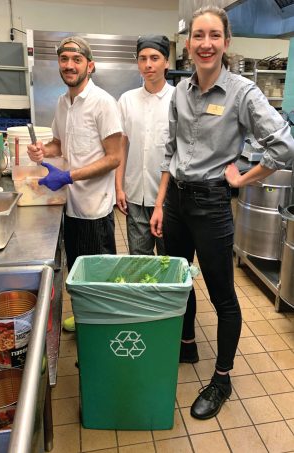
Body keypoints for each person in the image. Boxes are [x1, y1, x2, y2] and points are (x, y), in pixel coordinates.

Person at [150, 6, 294, 420]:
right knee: (179, 281)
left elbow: (284, 146)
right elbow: (170, 150)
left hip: (212, 205)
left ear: (226, 43)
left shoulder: (243, 92)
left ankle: (223, 378)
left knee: (223, 297)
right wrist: (160, 204)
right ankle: (186, 344)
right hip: (176, 202)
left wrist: (244, 179)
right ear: (189, 43)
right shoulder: (180, 90)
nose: (206, 43)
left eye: (214, 35)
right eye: (198, 35)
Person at [27, 36, 123, 332]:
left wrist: (68, 176)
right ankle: (83, 317)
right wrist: (43, 150)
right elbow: (59, 144)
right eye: (64, 59)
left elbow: (114, 158)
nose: (69, 65)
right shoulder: (62, 102)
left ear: (89, 66)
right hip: (71, 205)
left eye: (76, 60)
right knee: (77, 271)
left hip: (94, 208)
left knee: (98, 278)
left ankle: (101, 332)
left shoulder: (103, 103)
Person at [115, 35, 174, 255]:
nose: (148, 64)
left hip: (169, 200)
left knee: (170, 261)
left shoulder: (178, 100)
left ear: (166, 62)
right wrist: (119, 187)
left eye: (155, 58)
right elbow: (121, 145)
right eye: (142, 58)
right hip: (135, 195)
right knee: (139, 262)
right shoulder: (127, 100)